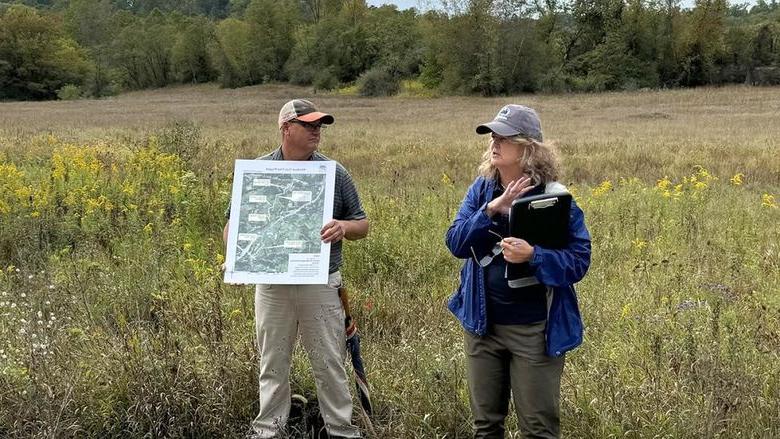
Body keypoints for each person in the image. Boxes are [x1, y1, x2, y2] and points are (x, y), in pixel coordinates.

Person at [224, 99, 368, 439]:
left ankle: (341, 431)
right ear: (286, 128)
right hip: (271, 284)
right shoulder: (258, 171)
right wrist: (236, 255)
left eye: (320, 125)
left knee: (329, 362)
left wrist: (343, 228)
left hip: (320, 282)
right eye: (309, 125)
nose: (317, 131)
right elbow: (233, 224)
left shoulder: (335, 172)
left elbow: (362, 224)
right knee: (272, 362)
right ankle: (268, 430)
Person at [445, 104, 591, 438]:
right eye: (492, 136)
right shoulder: (482, 190)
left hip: (533, 331)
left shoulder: (554, 198)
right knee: (486, 426)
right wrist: (491, 210)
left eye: (503, 137)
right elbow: (455, 243)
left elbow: (579, 259)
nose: (494, 143)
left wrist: (534, 256)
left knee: (537, 429)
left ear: (528, 148)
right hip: (481, 324)